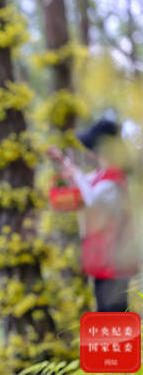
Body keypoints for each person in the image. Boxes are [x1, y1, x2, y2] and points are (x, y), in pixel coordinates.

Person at [47, 118, 139, 312]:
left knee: (114, 313)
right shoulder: (101, 175)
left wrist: (74, 172)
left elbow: (91, 198)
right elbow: (81, 184)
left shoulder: (114, 180)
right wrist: (63, 161)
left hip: (115, 264)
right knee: (105, 312)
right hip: (103, 261)